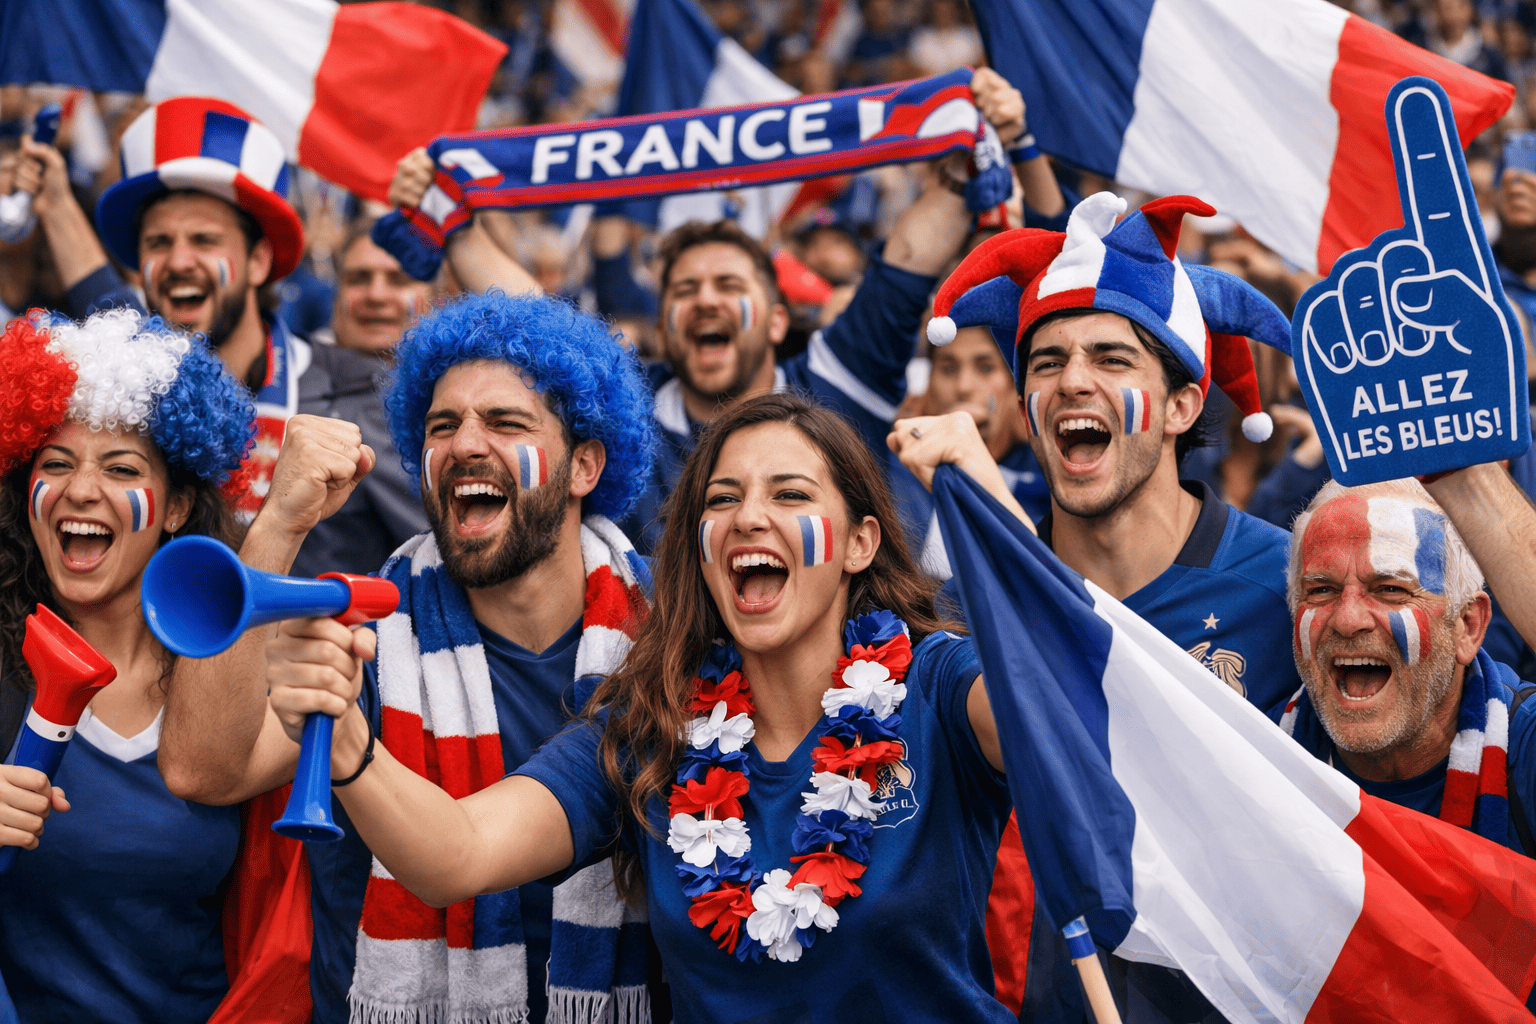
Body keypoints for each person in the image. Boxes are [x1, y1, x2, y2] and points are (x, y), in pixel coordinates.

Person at [265, 391, 1020, 1021]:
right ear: (699, 547)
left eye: (790, 494)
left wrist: (991, 500)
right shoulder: (651, 724)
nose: (750, 517)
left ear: (860, 543)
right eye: (723, 499)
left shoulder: (938, 686)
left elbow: (1064, 707)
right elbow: (458, 854)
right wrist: (349, 746)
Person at [157, 291, 660, 1024]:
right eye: (442, 425)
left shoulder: (668, 631)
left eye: (505, 422)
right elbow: (203, 769)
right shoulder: (362, 627)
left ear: (584, 465)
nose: (464, 445)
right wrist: (282, 522)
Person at [388, 67, 1029, 554]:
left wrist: (968, 128)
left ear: (778, 321)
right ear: (663, 326)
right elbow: (534, 321)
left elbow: (910, 256)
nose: (706, 301)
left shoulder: (840, 377)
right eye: (685, 291)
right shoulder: (627, 409)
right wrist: (450, 219)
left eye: (728, 283)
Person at [0, 309, 303, 1023]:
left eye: (121, 468)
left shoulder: (238, 673)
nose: (80, 491)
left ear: (176, 509)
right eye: (57, 463)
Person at [14, 97, 415, 574]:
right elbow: (102, 297)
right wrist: (56, 200)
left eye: (204, 240)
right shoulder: (126, 395)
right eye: (159, 243)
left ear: (260, 262)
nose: (180, 261)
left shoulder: (362, 396)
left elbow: (438, 565)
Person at [1279, 474, 1536, 856]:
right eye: (1321, 590)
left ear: (1468, 626)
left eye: (1390, 589)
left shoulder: (1526, 749)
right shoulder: (1258, 762)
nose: (1348, 620)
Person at [287, 220, 431, 577]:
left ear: (435, 297)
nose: (377, 295)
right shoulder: (286, 391)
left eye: (398, 280)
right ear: (336, 296)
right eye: (358, 278)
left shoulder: (466, 395)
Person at [891, 324, 1048, 581]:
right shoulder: (892, 477)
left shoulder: (1051, 482)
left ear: (1014, 387)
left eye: (986, 368)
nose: (964, 387)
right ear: (928, 389)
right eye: (948, 369)